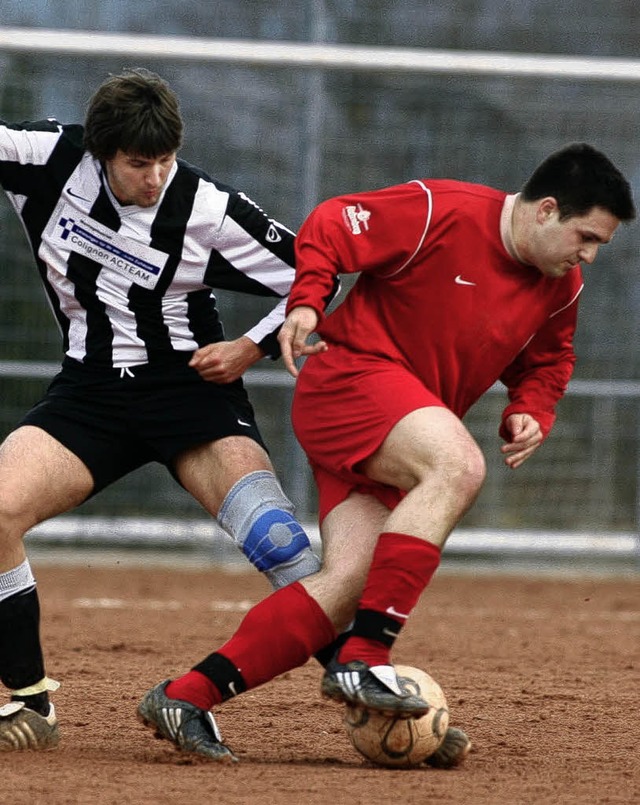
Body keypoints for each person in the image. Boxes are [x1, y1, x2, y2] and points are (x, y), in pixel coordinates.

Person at [136, 142, 635, 765]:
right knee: (458, 466)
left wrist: (530, 409)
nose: (587, 254)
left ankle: (188, 696)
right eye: (585, 236)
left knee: (346, 584)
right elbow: (331, 224)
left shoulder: (561, 285)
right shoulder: (440, 210)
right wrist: (309, 301)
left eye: (598, 246)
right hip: (350, 383)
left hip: (400, 428)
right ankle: (365, 659)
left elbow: (551, 360)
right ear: (546, 210)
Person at [0, 68, 333, 752]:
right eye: (137, 164)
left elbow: (312, 273)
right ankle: (32, 704)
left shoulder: (205, 207)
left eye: (165, 161)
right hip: (89, 395)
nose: (154, 178)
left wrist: (249, 346)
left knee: (278, 542)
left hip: (191, 395)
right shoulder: (47, 161)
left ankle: (370, 686)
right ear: (100, 153)